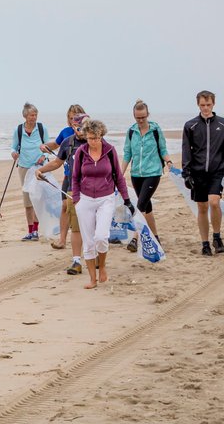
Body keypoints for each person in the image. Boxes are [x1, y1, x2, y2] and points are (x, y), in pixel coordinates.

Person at [72, 119, 132, 289]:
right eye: (90, 138)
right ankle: (93, 279)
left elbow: (119, 177)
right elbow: (75, 177)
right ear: (86, 136)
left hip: (106, 198)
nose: (93, 141)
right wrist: (76, 199)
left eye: (96, 138)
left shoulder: (110, 151)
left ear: (101, 136)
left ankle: (103, 266)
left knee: (101, 237)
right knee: (88, 242)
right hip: (85, 199)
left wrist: (126, 199)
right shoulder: (81, 152)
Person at [36, 113, 88, 275]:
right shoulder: (68, 142)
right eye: (78, 127)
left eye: (85, 127)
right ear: (73, 126)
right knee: (76, 228)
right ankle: (76, 261)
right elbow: (57, 162)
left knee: (93, 228)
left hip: (95, 191)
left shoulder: (96, 141)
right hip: (74, 190)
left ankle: (97, 259)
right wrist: (41, 170)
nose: (82, 130)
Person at [121, 100, 172, 251]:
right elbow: (127, 154)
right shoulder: (131, 131)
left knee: (140, 205)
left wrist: (168, 161)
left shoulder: (155, 130)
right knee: (147, 206)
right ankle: (155, 237)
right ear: (134, 116)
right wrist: (120, 173)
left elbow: (163, 149)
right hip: (136, 174)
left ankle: (135, 239)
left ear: (148, 114)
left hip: (153, 173)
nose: (141, 120)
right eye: (138, 118)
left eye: (143, 117)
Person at [182, 90, 224, 256]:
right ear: (198, 104)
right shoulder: (190, 125)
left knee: (214, 202)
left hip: (217, 171)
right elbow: (186, 150)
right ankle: (205, 243)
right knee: (202, 207)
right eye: (202, 105)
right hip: (197, 173)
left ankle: (217, 237)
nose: (205, 108)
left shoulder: (222, 124)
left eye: (208, 104)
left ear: (213, 104)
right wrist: (186, 173)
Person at [11, 102, 49, 241]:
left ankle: (36, 231)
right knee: (27, 199)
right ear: (25, 116)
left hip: (39, 167)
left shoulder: (42, 128)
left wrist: (43, 156)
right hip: (24, 167)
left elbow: (48, 147)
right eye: (31, 115)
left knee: (37, 197)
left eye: (35, 115)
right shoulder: (18, 130)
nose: (34, 117)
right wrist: (14, 153)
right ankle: (30, 230)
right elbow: (13, 147)